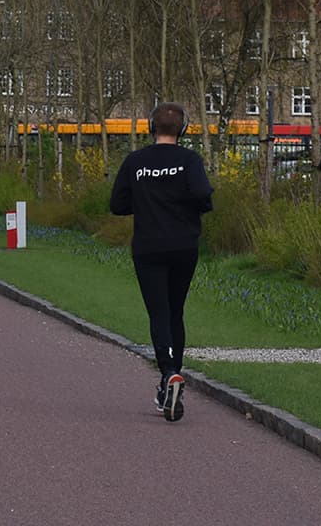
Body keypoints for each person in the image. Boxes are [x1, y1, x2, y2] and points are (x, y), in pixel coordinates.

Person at [110, 101, 213, 422]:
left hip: (148, 246)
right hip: (184, 246)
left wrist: (147, 200)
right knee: (176, 310)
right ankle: (172, 377)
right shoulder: (190, 160)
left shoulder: (135, 161)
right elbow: (203, 197)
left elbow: (117, 204)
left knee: (159, 312)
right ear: (183, 130)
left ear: (149, 128)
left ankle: (168, 374)